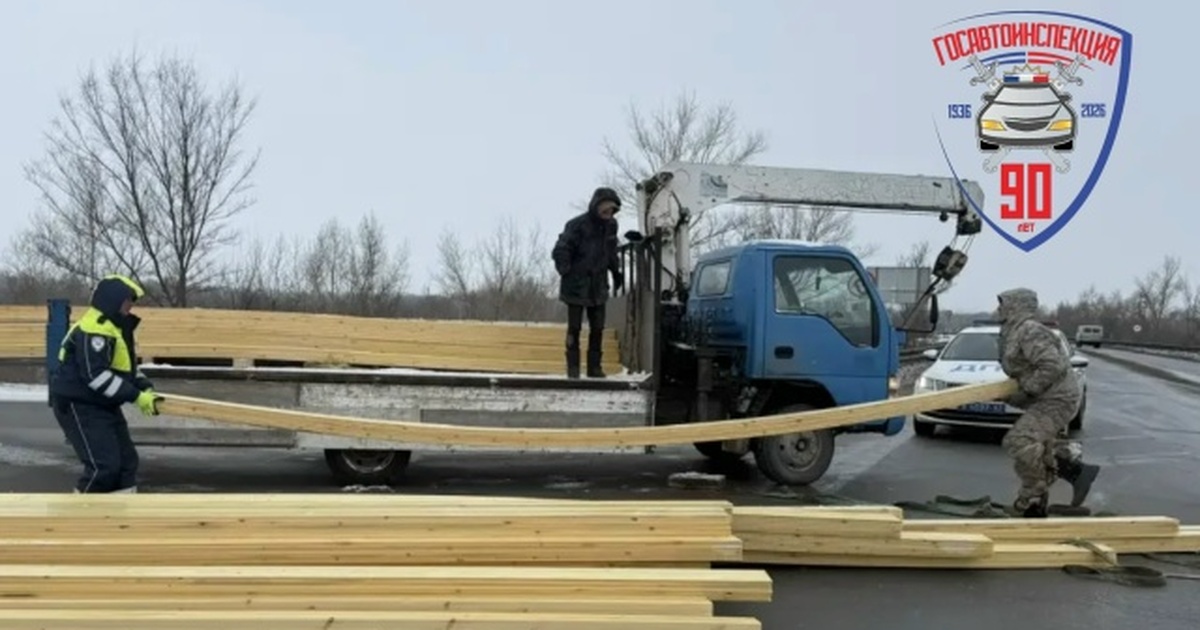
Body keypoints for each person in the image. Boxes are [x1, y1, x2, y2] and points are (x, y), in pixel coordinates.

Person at [49, 274, 163, 493]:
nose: (130, 307)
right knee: (104, 468)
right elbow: (96, 377)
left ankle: (121, 520)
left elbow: (125, 368)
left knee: (127, 463)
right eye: (127, 301)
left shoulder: (114, 327)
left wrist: (143, 385)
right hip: (79, 405)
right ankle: (82, 521)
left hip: (102, 404)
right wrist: (136, 397)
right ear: (112, 300)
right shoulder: (94, 330)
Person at [995, 287, 1100, 517]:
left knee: (1020, 440)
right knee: (1038, 448)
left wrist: (1027, 391)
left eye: (1003, 304)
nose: (998, 309)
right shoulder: (1014, 330)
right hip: (1046, 397)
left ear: (1016, 306)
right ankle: (1040, 498)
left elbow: (1052, 366)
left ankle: (1035, 492)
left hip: (1057, 399)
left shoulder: (1030, 330)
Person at [551, 186, 624, 379]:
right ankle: (573, 368)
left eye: (612, 211)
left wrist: (616, 272)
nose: (608, 214)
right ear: (596, 206)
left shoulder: (611, 226)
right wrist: (565, 269)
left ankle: (594, 367)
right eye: (605, 210)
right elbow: (561, 248)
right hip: (576, 283)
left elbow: (611, 251)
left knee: (598, 328)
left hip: (598, 284)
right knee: (574, 328)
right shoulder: (577, 225)